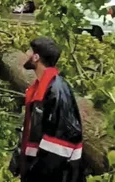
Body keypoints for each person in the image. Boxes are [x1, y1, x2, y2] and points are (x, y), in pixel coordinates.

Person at [10, 37, 85, 182]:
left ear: (36, 57)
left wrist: (36, 173)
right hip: (37, 169)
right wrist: (18, 164)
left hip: (52, 174)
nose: (26, 54)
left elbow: (60, 143)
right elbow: (31, 131)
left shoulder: (56, 91)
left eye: (29, 51)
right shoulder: (40, 88)